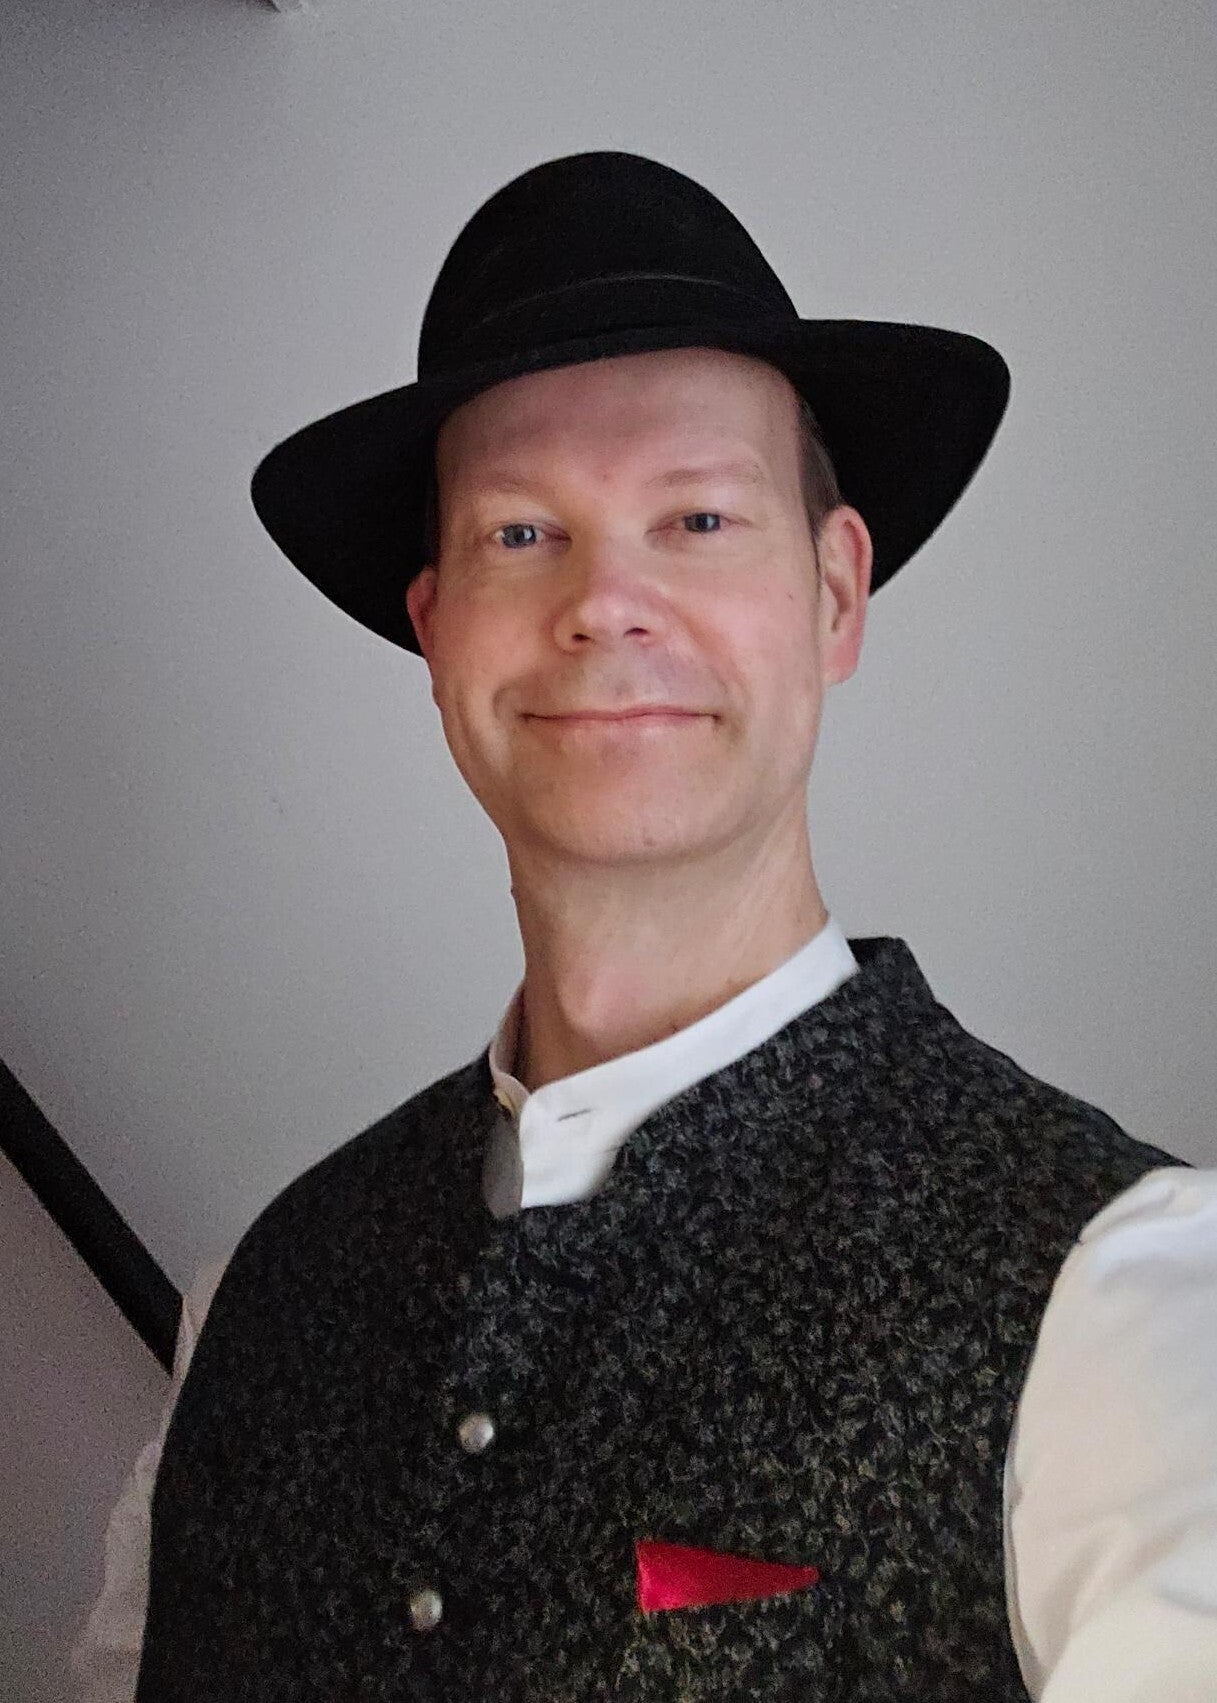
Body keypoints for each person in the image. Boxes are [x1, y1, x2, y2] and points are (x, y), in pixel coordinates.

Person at [74, 151, 1217, 1701]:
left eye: (695, 516)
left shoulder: (1131, 1295)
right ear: (436, 632)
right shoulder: (258, 1297)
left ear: (834, 594)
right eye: (518, 534)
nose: (604, 600)